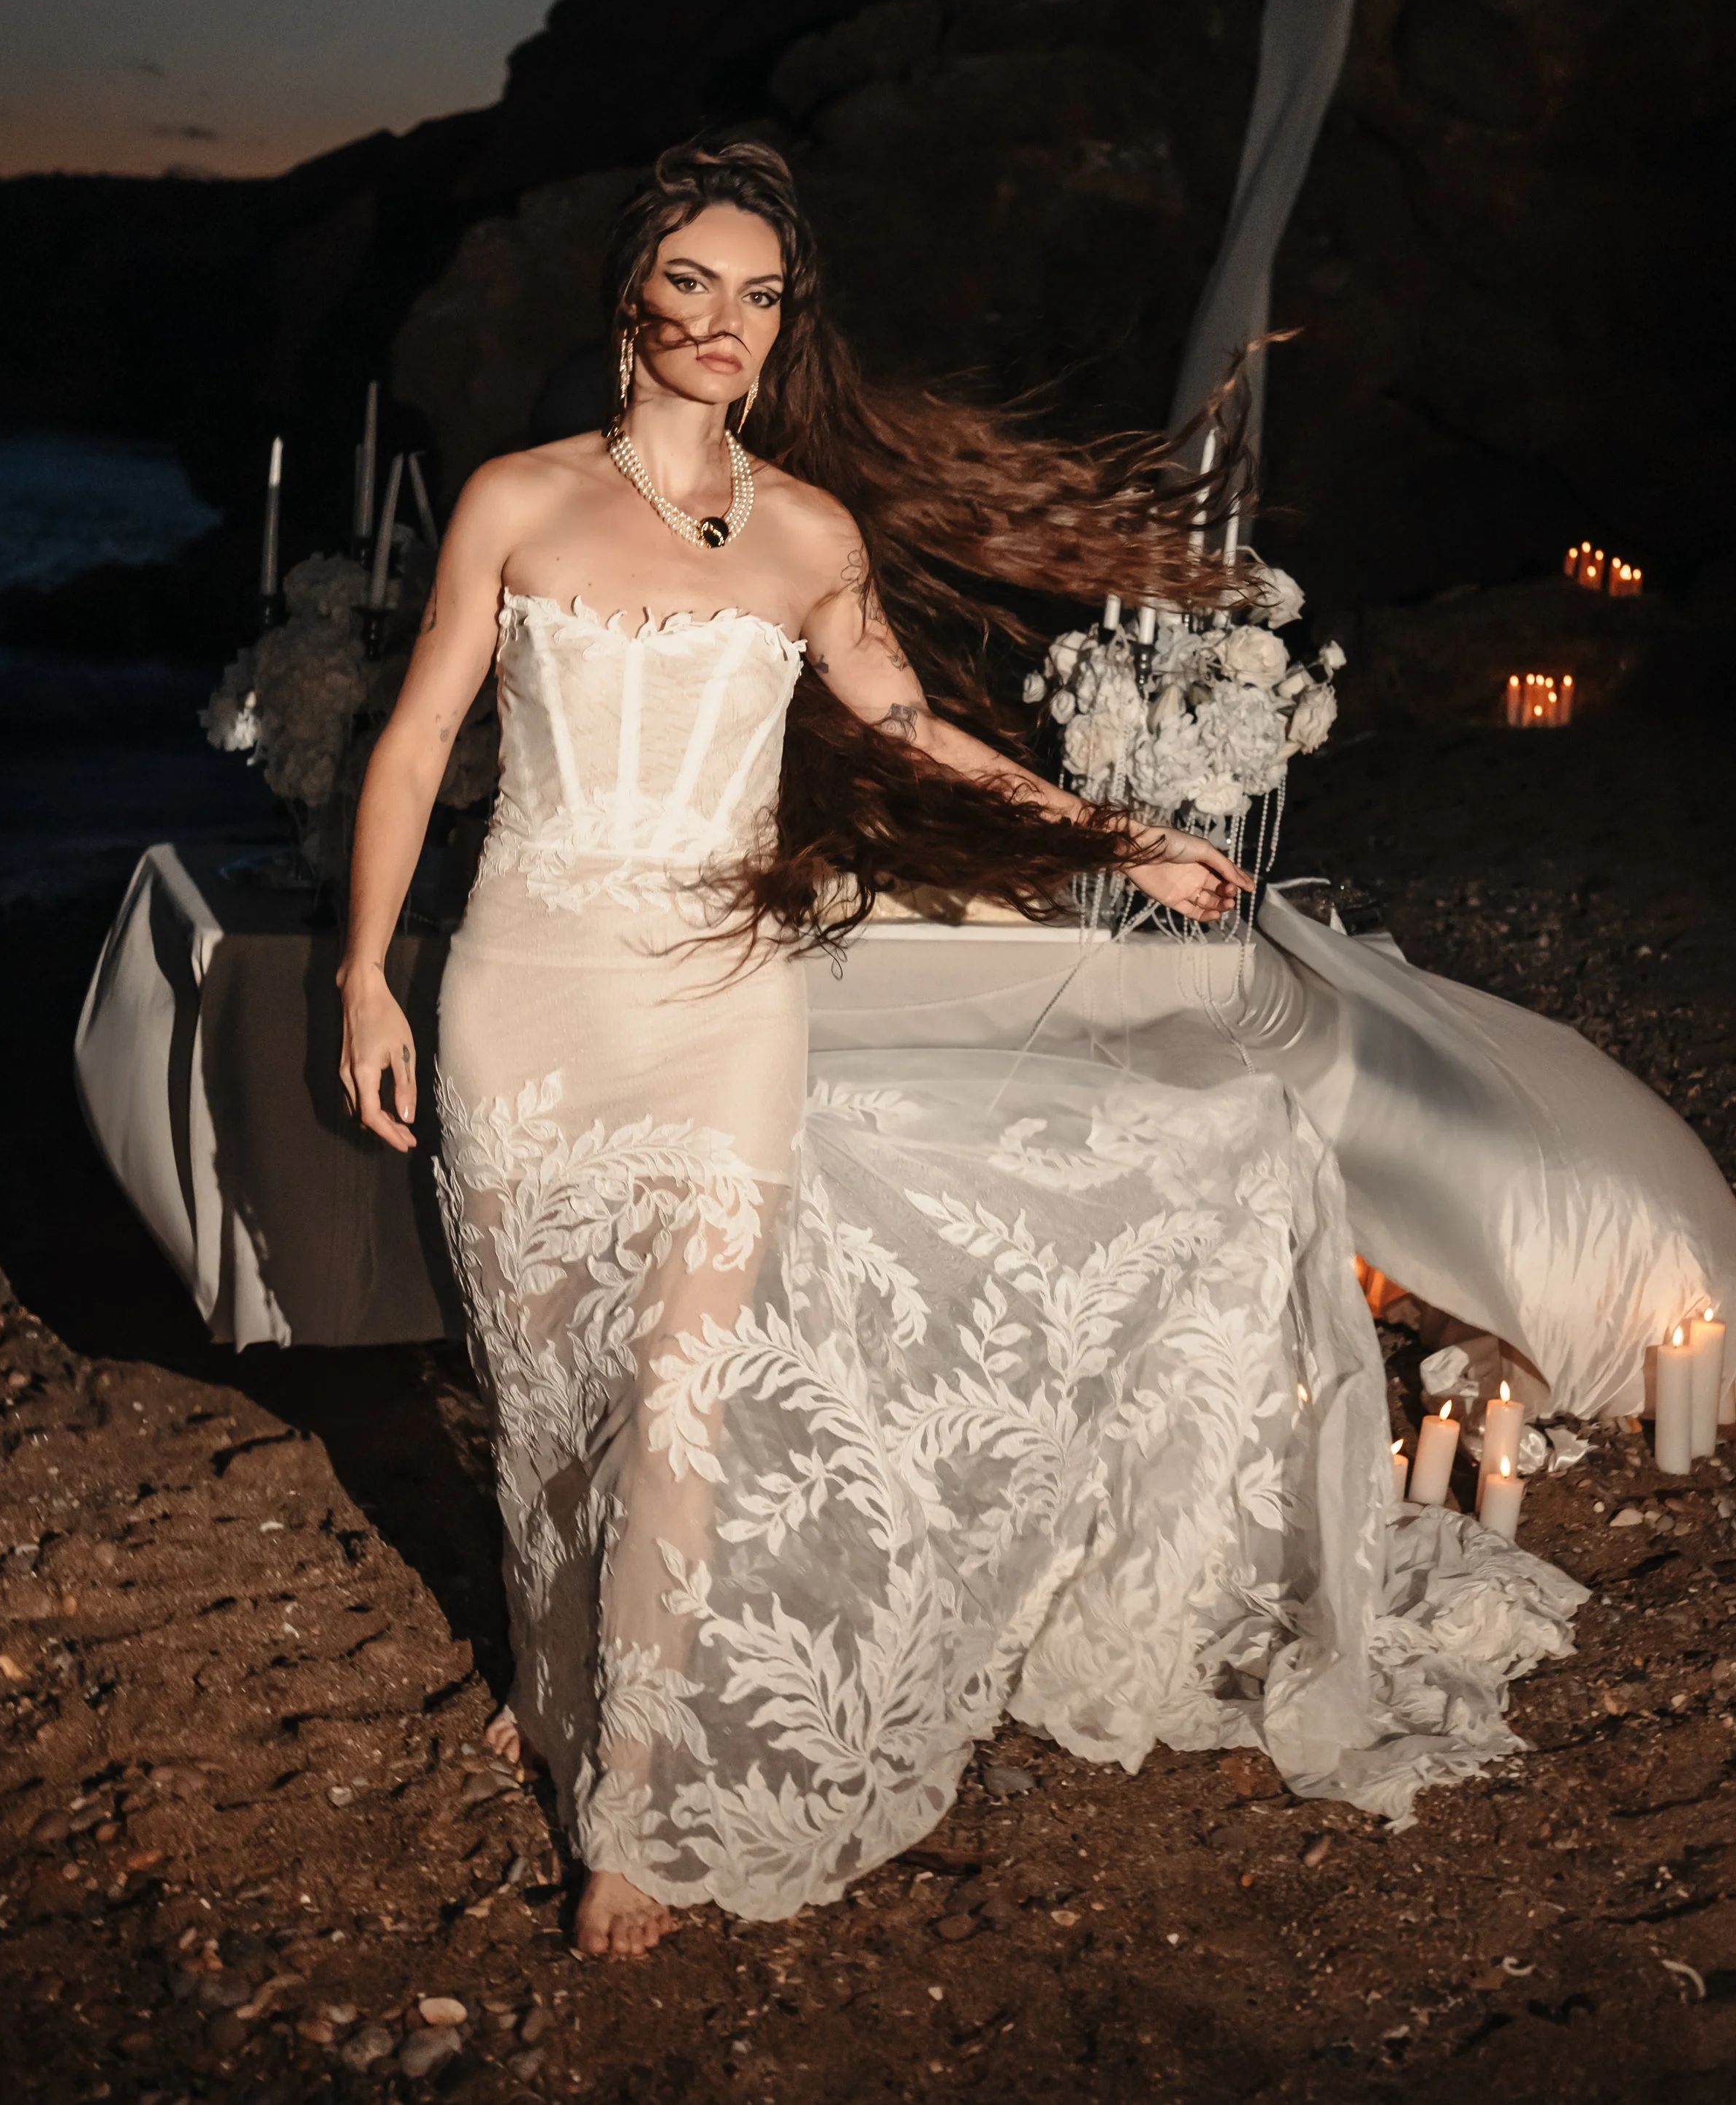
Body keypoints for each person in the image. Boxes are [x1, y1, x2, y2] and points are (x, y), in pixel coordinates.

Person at [339, 140, 1581, 1957]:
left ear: (786, 324)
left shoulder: (805, 533)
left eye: (760, 295)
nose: (724, 322)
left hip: (719, 1006)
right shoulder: (517, 500)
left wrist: (1115, 838)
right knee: (549, 1395)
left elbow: (913, 732)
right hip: (524, 987)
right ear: (628, 293)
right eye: (691, 281)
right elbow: (409, 743)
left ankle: (633, 1810)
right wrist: (363, 978)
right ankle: (563, 1679)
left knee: (676, 1401)